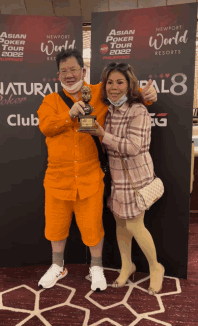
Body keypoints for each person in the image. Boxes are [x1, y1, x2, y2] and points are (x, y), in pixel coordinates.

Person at [37, 49, 157, 292]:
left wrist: (149, 96)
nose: (69, 75)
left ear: (83, 70)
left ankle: (97, 268)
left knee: (93, 226)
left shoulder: (98, 94)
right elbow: (46, 127)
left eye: (73, 69)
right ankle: (57, 266)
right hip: (58, 179)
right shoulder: (49, 101)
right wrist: (69, 115)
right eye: (63, 71)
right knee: (56, 226)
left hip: (90, 177)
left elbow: (124, 93)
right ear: (57, 75)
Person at [83, 62, 164, 295]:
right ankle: (127, 265)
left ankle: (155, 267)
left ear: (129, 85)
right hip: (117, 179)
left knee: (135, 224)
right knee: (120, 224)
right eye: (110, 82)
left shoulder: (137, 110)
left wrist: (102, 135)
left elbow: (136, 146)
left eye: (120, 82)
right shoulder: (108, 110)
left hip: (137, 177)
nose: (114, 87)